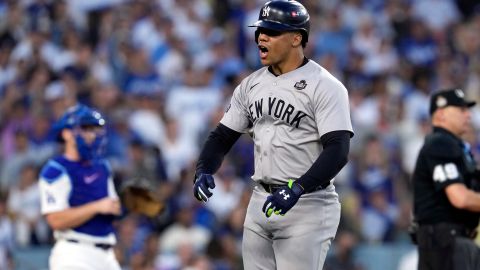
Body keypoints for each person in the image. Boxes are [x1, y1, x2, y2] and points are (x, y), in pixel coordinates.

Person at [192, 1, 354, 269]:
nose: (261, 37)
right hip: (260, 201)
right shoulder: (251, 84)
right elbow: (222, 136)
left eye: (272, 31)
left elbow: (338, 150)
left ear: (296, 38)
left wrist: (298, 188)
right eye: (260, 31)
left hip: (309, 203)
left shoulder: (325, 86)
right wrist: (204, 168)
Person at [38, 104, 122, 270]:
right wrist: (96, 207)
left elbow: (111, 207)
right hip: (74, 253)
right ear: (67, 133)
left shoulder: (102, 166)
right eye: (85, 129)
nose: (91, 135)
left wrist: (125, 204)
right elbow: (55, 220)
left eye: (93, 129)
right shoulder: (56, 169)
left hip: (106, 253)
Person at [412, 88, 480, 270]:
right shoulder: (440, 143)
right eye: (461, 110)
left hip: (454, 240)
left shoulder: (456, 147)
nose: (468, 115)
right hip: (445, 243)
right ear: (441, 114)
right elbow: (460, 198)